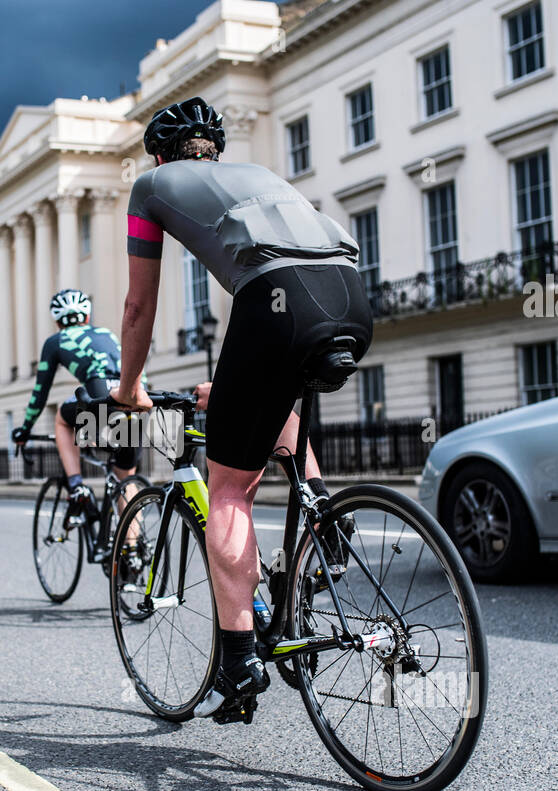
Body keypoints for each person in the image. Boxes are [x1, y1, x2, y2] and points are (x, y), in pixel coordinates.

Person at [110, 96, 374, 719]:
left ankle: (236, 660)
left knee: (229, 491)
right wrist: (228, 386)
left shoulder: (151, 187)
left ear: (158, 153)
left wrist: (128, 387)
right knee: (274, 404)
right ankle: (322, 516)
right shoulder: (258, 177)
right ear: (215, 152)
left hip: (276, 300)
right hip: (349, 296)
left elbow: (138, 308)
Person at [11, 289, 139, 527]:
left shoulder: (55, 341)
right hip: (134, 402)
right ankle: (133, 551)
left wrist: (25, 429)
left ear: (58, 321)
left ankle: (77, 485)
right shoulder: (106, 333)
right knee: (127, 481)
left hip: (101, 398)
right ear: (87, 316)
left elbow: (40, 393)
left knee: (62, 417)